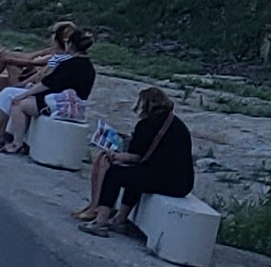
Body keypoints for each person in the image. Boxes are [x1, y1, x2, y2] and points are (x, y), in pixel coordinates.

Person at [76, 86, 194, 234]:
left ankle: (101, 220)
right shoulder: (175, 123)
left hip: (166, 181)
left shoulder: (147, 124)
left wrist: (113, 156)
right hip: (183, 183)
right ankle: (120, 220)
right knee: (136, 175)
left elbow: (136, 156)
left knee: (115, 174)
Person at [0, 23, 89, 136]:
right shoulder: (53, 51)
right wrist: (8, 56)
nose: (51, 36)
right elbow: (30, 56)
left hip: (36, 86)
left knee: (8, 67)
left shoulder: (63, 57)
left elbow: (33, 64)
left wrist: (8, 58)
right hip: (29, 81)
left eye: (53, 33)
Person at [0, 26, 96, 155]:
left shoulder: (69, 63)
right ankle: (20, 140)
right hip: (76, 105)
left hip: (61, 104)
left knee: (19, 104)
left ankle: (17, 143)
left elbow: (47, 83)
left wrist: (23, 94)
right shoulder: (89, 67)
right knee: (28, 101)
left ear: (70, 44)